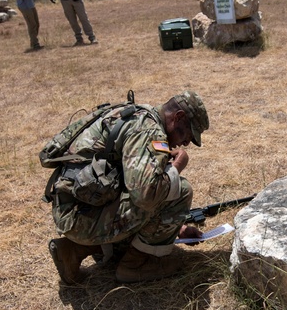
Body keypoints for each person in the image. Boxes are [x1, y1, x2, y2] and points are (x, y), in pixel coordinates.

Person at [46, 91, 209, 284]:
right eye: (188, 133)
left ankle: (73, 250)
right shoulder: (148, 130)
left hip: (75, 210)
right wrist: (177, 167)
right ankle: (136, 265)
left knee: (155, 186)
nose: (186, 143)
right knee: (180, 189)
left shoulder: (137, 114)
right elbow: (146, 196)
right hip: (82, 216)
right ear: (178, 117)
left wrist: (175, 227)